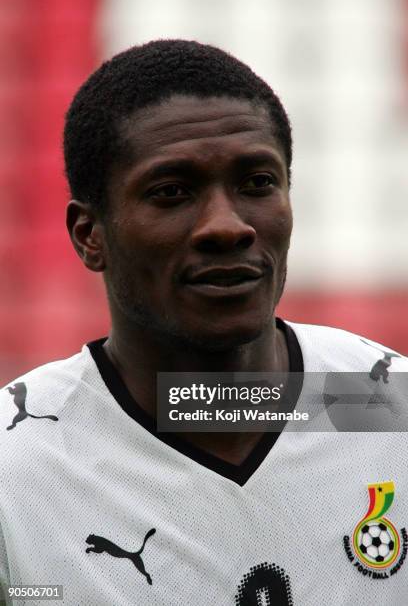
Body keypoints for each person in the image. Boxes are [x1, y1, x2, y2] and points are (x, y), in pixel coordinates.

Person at [0, 39, 407, 606]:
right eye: (172, 192)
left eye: (258, 183)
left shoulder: (388, 407)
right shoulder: (14, 467)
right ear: (90, 235)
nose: (227, 225)